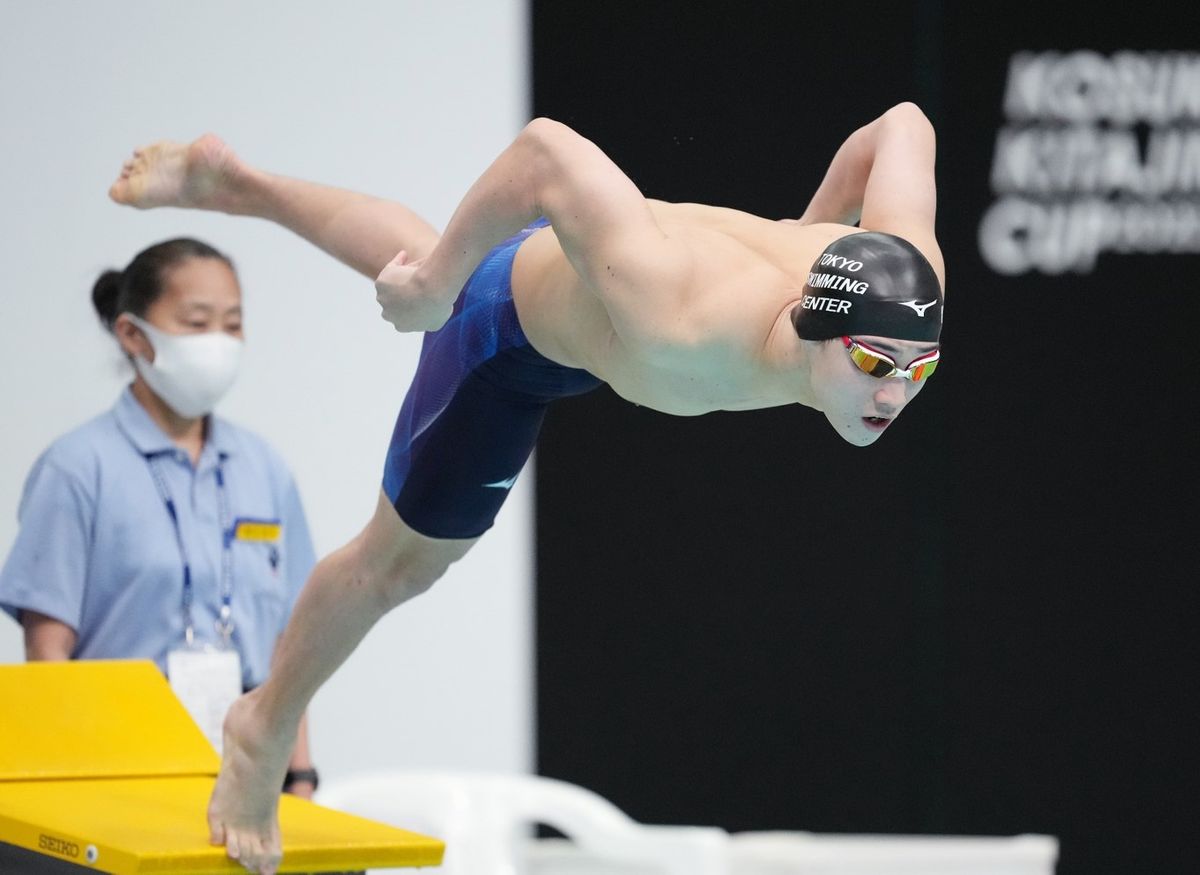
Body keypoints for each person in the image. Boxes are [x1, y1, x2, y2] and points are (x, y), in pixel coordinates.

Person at [109, 101, 944, 873]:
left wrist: (814, 229)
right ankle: (262, 727)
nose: (892, 395)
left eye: (919, 369)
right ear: (810, 322)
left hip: (585, 290)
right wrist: (435, 289)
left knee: (445, 255)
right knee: (397, 565)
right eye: (872, 363)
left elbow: (903, 125)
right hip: (507, 345)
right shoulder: (680, 314)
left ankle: (237, 185)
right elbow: (544, 150)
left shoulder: (908, 276)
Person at [0, 238, 321, 799]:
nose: (218, 342)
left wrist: (300, 775)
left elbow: (288, 646)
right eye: (197, 322)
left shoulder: (262, 468)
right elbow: (47, 655)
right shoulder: (78, 468)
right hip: (114, 767)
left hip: (246, 771)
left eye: (232, 323)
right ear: (132, 335)